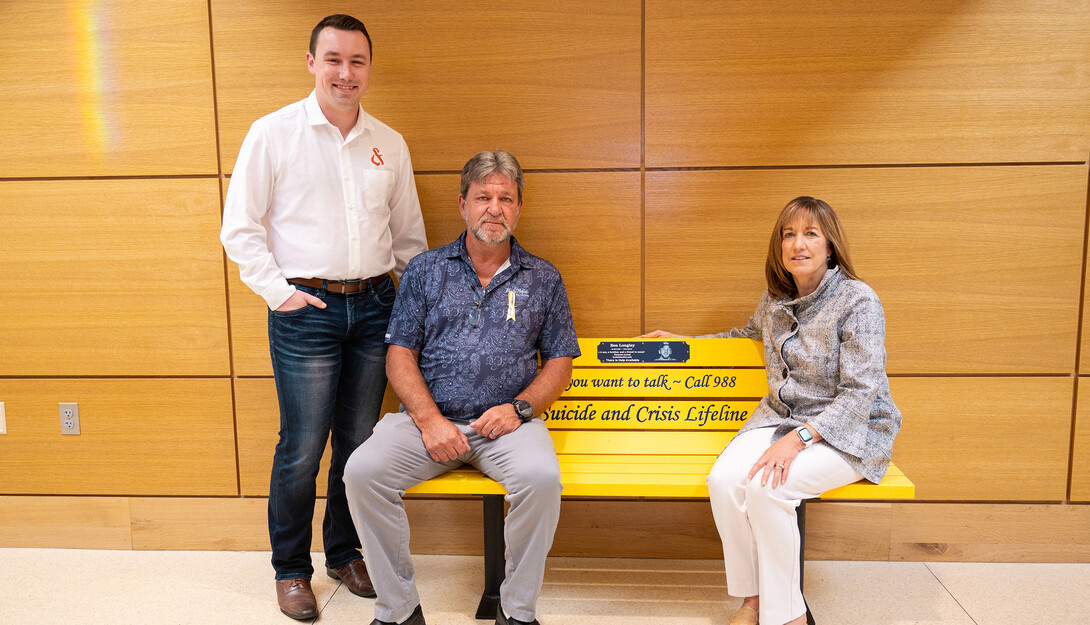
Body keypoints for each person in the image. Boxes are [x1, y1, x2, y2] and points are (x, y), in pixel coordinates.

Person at [219, 14, 428, 621]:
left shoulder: (389, 143)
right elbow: (240, 229)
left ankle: (343, 551)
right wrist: (278, 292)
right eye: (333, 59)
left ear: (369, 68)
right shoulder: (272, 133)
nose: (345, 72)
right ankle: (291, 570)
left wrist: (411, 311)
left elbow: (410, 238)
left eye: (357, 61)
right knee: (302, 445)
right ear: (311, 62)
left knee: (358, 444)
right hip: (304, 308)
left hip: (375, 308)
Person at [343, 150, 580, 625]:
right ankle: (399, 611)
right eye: (483, 197)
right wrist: (430, 421)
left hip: (508, 425)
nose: (494, 208)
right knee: (362, 472)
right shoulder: (425, 271)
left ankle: (515, 611)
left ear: (518, 208)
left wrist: (519, 408)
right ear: (463, 205)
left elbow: (559, 362)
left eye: (506, 199)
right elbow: (400, 355)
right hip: (429, 422)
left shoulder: (543, 277)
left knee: (541, 480)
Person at [643, 196, 901, 625]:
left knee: (768, 489)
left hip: (850, 430)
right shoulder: (776, 298)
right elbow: (744, 336)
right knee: (724, 480)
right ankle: (755, 599)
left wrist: (798, 440)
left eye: (810, 234)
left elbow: (861, 393)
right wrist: (682, 344)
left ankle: (788, 617)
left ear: (830, 245)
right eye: (789, 234)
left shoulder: (859, 301)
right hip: (780, 419)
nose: (798, 244)